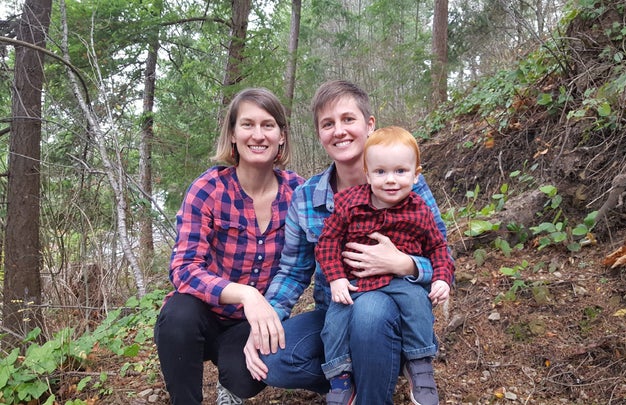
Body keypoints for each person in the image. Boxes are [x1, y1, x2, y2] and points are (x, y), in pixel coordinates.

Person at [242, 80, 450, 405]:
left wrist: (404, 264)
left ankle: (379, 384)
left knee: (371, 311)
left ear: (369, 125)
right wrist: (266, 321)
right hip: (336, 310)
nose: (339, 131)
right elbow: (294, 272)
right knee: (274, 358)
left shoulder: (408, 185)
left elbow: (440, 252)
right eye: (328, 124)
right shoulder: (307, 197)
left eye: (348, 119)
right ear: (320, 134)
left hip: (393, 307)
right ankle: (352, 379)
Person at [154, 87, 304, 405]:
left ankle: (231, 389)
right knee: (177, 318)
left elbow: (318, 252)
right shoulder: (208, 189)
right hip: (202, 315)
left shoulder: (298, 193)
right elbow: (183, 269)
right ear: (233, 135)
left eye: (268, 125)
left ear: (281, 136)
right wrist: (246, 294)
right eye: (247, 124)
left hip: (251, 324)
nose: (258, 135)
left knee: (246, 373)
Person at [316, 126, 454, 405]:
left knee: (417, 302)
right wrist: (336, 278)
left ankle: (419, 363)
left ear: (416, 175)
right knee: (334, 321)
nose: (391, 180)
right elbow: (327, 241)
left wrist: (442, 278)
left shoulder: (420, 211)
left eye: (400, 172)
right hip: (355, 283)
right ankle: (341, 378)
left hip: (400, 281)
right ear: (367, 174)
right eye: (380, 172)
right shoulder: (348, 203)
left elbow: (438, 248)